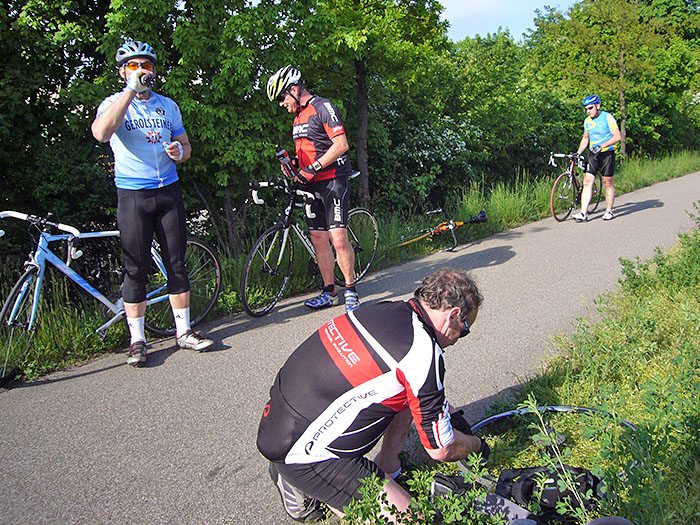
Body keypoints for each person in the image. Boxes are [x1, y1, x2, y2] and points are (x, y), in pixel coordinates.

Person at [256, 268, 488, 522]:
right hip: (306, 456)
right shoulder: (423, 352)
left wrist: (443, 412)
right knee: (415, 520)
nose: (458, 339)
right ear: (454, 315)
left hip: (279, 418)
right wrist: (476, 446)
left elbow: (422, 399)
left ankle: (390, 467)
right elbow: (441, 450)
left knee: (407, 394)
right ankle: (299, 483)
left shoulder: (381, 310)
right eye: (465, 329)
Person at [91, 40, 213, 367]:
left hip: (168, 192)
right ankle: (137, 340)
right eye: (133, 65)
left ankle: (184, 332)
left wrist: (179, 152)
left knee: (176, 263)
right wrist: (129, 92)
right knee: (136, 268)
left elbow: (186, 146)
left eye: (146, 65)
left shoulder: (168, 106)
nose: (141, 70)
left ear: (154, 70)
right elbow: (101, 133)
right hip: (133, 195)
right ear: (122, 71)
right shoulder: (114, 102)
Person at [266, 65, 360, 313]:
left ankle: (350, 289)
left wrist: (314, 166)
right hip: (311, 183)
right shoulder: (297, 117)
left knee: (337, 239)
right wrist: (294, 164)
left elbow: (341, 144)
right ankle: (330, 291)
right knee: (318, 239)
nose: (281, 103)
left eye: (282, 97)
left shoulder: (322, 107)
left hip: (333, 180)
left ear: (294, 90)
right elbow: (310, 150)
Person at [572, 94, 622, 222]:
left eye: (590, 108)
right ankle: (583, 212)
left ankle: (609, 211)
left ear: (597, 106)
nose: (588, 111)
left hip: (607, 154)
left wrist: (602, 146)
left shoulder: (607, 117)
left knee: (607, 183)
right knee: (587, 181)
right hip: (593, 154)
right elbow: (585, 138)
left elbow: (617, 136)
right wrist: (578, 152)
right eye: (586, 109)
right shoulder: (587, 121)